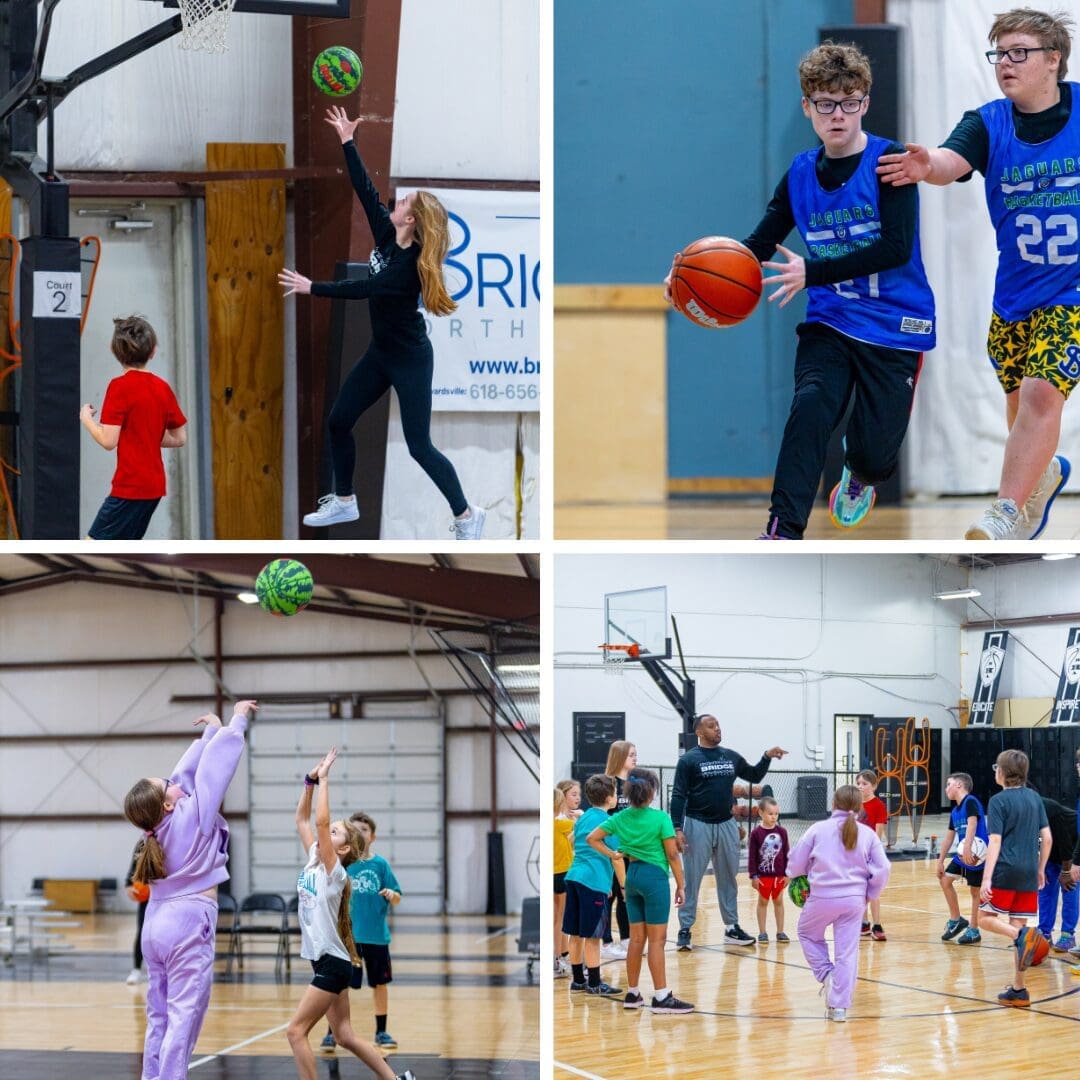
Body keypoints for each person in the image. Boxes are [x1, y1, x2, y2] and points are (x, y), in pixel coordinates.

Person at [664, 41, 935, 539]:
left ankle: (860, 475)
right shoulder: (800, 174)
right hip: (831, 320)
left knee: (875, 457)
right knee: (810, 406)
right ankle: (782, 529)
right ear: (807, 107)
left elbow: (896, 248)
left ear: (865, 103)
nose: (838, 114)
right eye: (826, 103)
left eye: (849, 102)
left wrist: (812, 272)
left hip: (896, 323)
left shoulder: (891, 161)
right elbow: (755, 247)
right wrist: (690, 281)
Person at [877, 7, 1077, 540]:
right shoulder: (987, 122)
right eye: (999, 54)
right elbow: (949, 160)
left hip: (1073, 291)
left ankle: (1004, 510)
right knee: (1020, 403)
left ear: (1053, 59)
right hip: (1015, 293)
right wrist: (927, 166)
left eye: (1019, 53)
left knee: (1041, 395)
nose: (1005, 63)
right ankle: (1042, 474)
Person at [279, 106, 484, 540]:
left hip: (410, 359)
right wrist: (347, 141)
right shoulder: (389, 236)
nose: (396, 202)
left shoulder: (407, 267)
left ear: (411, 220)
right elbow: (364, 189)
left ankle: (467, 515)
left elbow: (363, 289)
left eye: (404, 203)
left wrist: (313, 287)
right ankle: (345, 500)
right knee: (339, 421)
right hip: (382, 353)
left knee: (419, 446)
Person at [122, 700, 257, 1078]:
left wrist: (210, 732)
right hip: (187, 922)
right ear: (166, 803)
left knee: (159, 1015)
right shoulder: (193, 815)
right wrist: (236, 721)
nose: (176, 782)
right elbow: (216, 770)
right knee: (184, 1016)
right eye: (169, 785)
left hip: (155, 925)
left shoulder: (154, 831)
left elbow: (181, 778)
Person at [287, 748, 414, 1080]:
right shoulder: (314, 860)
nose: (326, 833)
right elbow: (301, 820)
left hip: (332, 963)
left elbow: (319, 820)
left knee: (296, 1032)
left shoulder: (335, 872)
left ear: (343, 849)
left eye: (334, 833)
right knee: (344, 1035)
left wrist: (325, 779)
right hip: (329, 959)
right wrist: (309, 782)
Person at [668, 713, 787, 950]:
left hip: (726, 823)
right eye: (711, 726)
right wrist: (677, 828)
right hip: (697, 823)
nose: (717, 729)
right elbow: (679, 795)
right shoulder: (689, 760)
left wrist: (766, 757)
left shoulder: (730, 756)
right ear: (699, 732)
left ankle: (732, 927)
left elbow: (754, 775)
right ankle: (685, 928)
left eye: (718, 725)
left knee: (728, 878)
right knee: (692, 878)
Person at [588, 768, 692, 1014]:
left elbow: (592, 838)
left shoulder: (620, 817)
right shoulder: (661, 818)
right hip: (654, 879)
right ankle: (661, 997)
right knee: (657, 940)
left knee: (636, 940)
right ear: (652, 792)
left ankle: (632, 993)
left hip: (632, 876)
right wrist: (681, 885)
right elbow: (672, 855)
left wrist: (613, 854)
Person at [786, 784, 891, 1023]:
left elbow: (795, 865)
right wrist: (870, 893)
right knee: (846, 952)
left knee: (807, 933)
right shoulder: (868, 834)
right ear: (860, 807)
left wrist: (798, 873)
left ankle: (826, 974)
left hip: (821, 897)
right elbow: (883, 868)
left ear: (833, 804)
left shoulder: (817, 829)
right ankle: (838, 1008)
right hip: (855, 901)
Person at [80, 315, 187, 540]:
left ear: (115, 350)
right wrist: (147, 433)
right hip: (154, 487)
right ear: (153, 351)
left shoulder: (119, 387)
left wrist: (87, 419)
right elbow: (179, 438)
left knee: (90, 545)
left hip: (130, 486)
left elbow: (108, 441)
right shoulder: (162, 388)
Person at [320, 811, 404, 1053]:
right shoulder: (343, 864)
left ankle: (381, 1031)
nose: (359, 833)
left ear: (373, 836)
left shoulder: (381, 865)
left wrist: (392, 895)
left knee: (380, 984)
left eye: (364, 830)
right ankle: (332, 1032)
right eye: (354, 830)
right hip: (347, 938)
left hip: (376, 937)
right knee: (339, 985)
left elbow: (397, 896)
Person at [978, 750, 1052, 1007]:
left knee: (984, 919)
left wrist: (986, 879)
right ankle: (1019, 990)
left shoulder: (998, 801)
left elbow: (995, 841)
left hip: (1005, 870)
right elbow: (1047, 838)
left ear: (1002, 771)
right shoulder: (1034, 797)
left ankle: (1021, 935)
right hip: (1029, 871)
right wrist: (1040, 869)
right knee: (1019, 924)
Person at [563, 773, 625, 998]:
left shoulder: (585, 816)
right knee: (592, 935)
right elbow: (616, 858)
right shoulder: (609, 822)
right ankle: (595, 983)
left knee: (575, 933)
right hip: (592, 881)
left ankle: (578, 980)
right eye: (616, 793)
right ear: (609, 798)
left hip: (574, 877)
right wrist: (624, 887)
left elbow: (571, 840)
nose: (617, 796)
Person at [937, 772, 989, 947]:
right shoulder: (954, 811)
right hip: (962, 854)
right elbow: (949, 837)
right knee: (945, 880)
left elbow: (972, 823)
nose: (946, 788)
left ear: (959, 785)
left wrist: (967, 846)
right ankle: (957, 919)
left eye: (948, 784)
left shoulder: (970, 802)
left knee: (975, 892)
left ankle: (974, 930)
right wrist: (940, 860)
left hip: (976, 855)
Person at [600, 740, 637, 960]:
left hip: (631, 849)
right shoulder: (608, 783)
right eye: (631, 754)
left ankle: (626, 939)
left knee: (627, 894)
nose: (635, 758)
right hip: (611, 849)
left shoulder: (635, 783)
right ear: (619, 757)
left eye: (635, 754)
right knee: (610, 894)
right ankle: (605, 942)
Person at [1036, 794, 1077, 952]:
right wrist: (1040, 867)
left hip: (1074, 849)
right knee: (1045, 887)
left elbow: (1065, 843)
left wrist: (1066, 871)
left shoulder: (1051, 809)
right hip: (1051, 851)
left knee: (1069, 887)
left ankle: (1068, 935)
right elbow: (1032, 842)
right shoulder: (1022, 811)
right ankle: (1045, 932)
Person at [747, 796, 790, 944]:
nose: (774, 817)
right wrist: (753, 876)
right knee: (763, 902)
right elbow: (752, 857)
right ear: (761, 813)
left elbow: (787, 853)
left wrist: (788, 873)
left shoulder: (782, 832)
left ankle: (780, 932)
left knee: (779, 901)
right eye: (770, 813)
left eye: (776, 814)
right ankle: (762, 932)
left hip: (779, 876)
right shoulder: (755, 834)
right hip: (763, 876)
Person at [856, 769, 889, 940]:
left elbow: (878, 834)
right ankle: (864, 923)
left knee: (873, 891)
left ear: (874, 786)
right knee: (860, 890)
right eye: (858, 783)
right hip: (855, 855)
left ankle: (877, 924)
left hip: (870, 855)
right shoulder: (855, 805)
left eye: (865, 783)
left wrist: (869, 853)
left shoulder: (878, 805)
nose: (861, 787)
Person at [553, 786, 575, 977]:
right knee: (560, 919)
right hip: (562, 874)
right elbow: (579, 824)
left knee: (555, 918)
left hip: (553, 875)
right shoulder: (561, 824)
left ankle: (560, 955)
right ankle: (558, 958)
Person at [123, 838, 149, 984]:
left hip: (168, 896)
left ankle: (165, 971)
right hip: (147, 898)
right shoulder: (143, 842)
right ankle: (136, 970)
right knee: (142, 932)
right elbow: (133, 868)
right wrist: (128, 884)